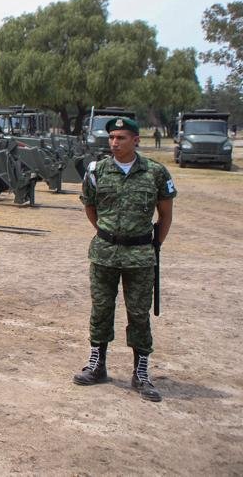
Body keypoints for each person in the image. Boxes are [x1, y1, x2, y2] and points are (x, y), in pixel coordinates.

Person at [75, 116, 175, 402]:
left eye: (120, 138)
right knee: (101, 310)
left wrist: (151, 244)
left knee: (139, 314)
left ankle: (141, 372)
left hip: (141, 256)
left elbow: (165, 214)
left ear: (136, 140)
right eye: (111, 138)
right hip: (105, 253)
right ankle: (97, 365)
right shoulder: (97, 171)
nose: (114, 143)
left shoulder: (155, 172)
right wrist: (107, 234)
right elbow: (91, 207)